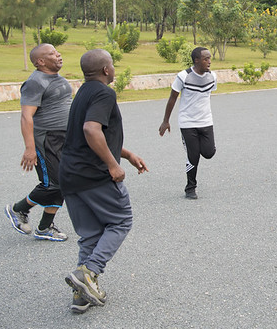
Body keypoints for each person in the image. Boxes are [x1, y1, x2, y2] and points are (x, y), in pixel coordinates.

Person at [59, 49, 148, 314]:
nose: (113, 68)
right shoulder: (104, 93)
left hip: (70, 174)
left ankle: (81, 294)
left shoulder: (83, 92)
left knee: (90, 234)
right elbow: (91, 130)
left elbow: (89, 134)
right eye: (112, 64)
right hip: (93, 174)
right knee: (121, 221)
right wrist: (112, 164)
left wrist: (127, 154)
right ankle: (89, 272)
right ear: (106, 70)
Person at [4, 43, 71, 242]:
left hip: (64, 137)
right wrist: (30, 148)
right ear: (40, 61)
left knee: (63, 182)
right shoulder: (35, 82)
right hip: (46, 138)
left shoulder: (57, 79)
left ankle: (44, 228)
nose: (58, 55)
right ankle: (18, 209)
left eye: (57, 52)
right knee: (53, 183)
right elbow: (26, 116)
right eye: (52, 53)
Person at [159, 47, 217, 199]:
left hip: (205, 121)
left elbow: (207, 96)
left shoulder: (213, 76)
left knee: (209, 152)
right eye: (206, 59)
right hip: (187, 123)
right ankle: (190, 188)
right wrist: (166, 121)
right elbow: (172, 98)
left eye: (210, 58)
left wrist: (204, 113)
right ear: (196, 60)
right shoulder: (183, 76)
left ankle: (200, 148)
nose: (209, 62)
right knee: (193, 156)